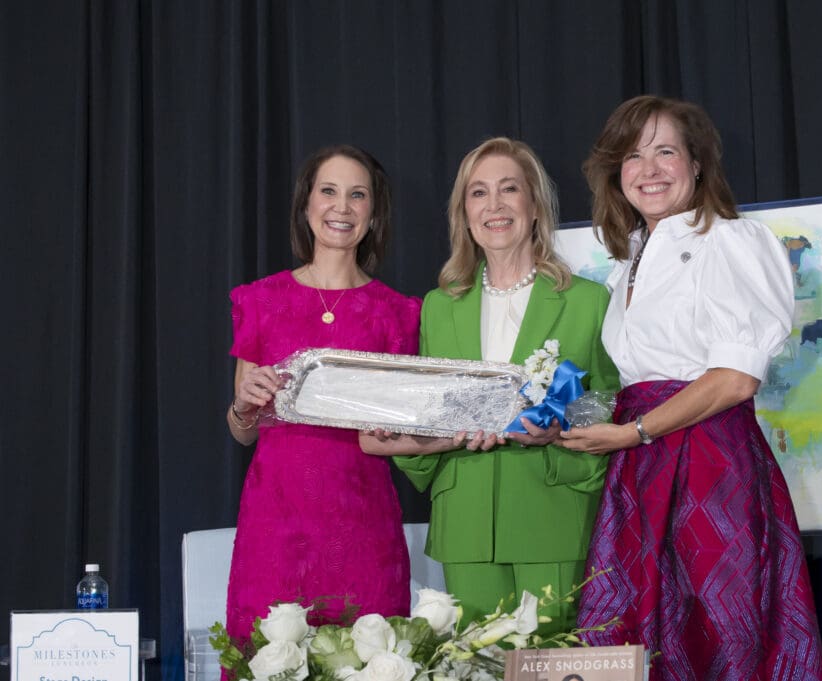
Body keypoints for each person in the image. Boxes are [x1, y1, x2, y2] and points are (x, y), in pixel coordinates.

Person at [560, 96, 822, 681]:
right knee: (639, 638)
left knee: (718, 632)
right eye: (633, 155)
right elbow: (640, 378)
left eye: (665, 152)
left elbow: (734, 378)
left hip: (710, 462)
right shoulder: (627, 259)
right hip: (641, 465)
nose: (648, 169)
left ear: (698, 164)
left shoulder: (731, 239)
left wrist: (633, 431)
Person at [360, 137, 618, 631]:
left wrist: (557, 432)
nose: (494, 205)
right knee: (474, 665)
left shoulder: (588, 301)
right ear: (464, 213)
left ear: (535, 205)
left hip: (553, 512)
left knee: (555, 663)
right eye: (478, 193)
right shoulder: (439, 306)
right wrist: (401, 439)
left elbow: (610, 406)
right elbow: (428, 418)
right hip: (466, 520)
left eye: (509, 189)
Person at [225, 145, 420, 640]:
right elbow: (243, 432)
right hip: (276, 524)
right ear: (306, 204)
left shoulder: (399, 314)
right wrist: (243, 405)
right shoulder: (261, 301)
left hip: (364, 525)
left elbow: (404, 427)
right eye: (328, 191)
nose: (342, 206)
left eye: (358, 195)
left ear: (373, 215)